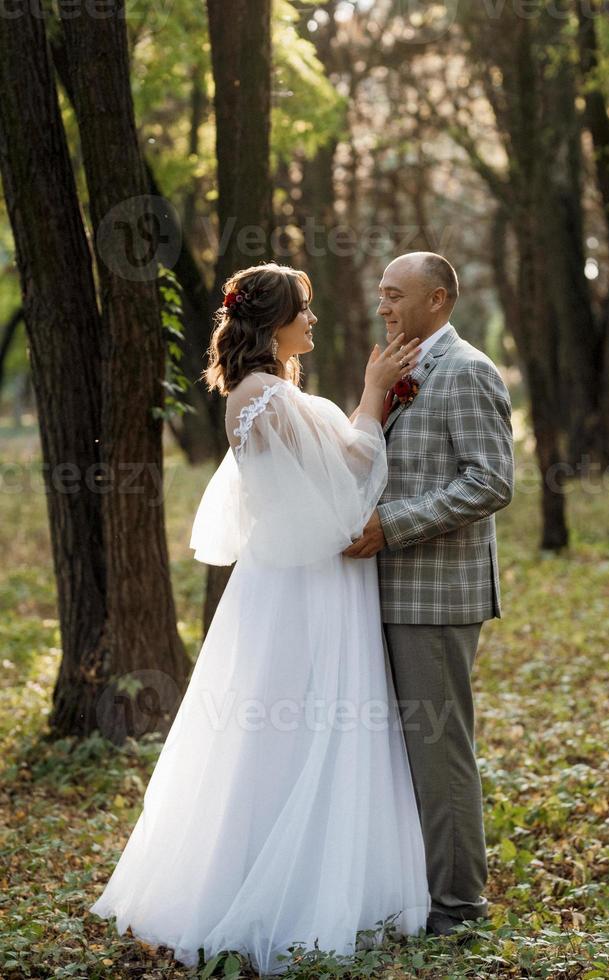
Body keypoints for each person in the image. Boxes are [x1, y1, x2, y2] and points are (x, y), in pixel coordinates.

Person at [89, 261, 431, 975]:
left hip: (277, 583)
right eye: (303, 312)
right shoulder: (273, 397)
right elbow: (354, 470)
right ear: (274, 322)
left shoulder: (254, 393)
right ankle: (291, 892)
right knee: (306, 723)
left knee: (271, 726)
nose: (313, 322)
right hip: (311, 585)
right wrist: (372, 394)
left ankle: (265, 869)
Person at [343, 252, 514, 936]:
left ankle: (459, 908)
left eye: (395, 295)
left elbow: (491, 481)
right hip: (388, 591)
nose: (383, 306)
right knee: (409, 753)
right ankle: (419, 890)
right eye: (381, 294)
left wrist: (393, 524)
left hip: (437, 597)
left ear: (437, 300)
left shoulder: (468, 371)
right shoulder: (401, 367)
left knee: (440, 755)